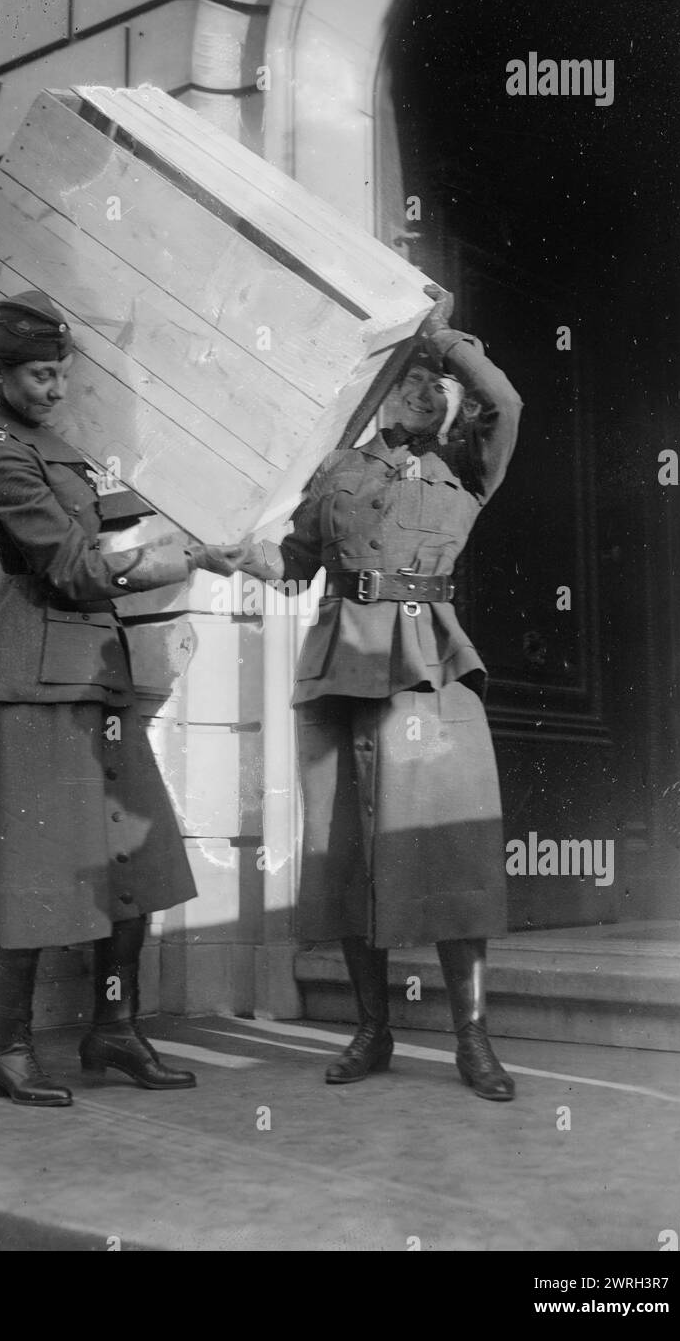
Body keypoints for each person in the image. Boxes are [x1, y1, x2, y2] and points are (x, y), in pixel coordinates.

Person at [227, 284, 523, 1101]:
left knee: (454, 842)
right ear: (387, 388)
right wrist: (243, 557)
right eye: (417, 378)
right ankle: (372, 1029)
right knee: (350, 848)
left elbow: (505, 398)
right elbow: (294, 563)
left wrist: (440, 333)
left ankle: (473, 1040)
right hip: (341, 666)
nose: (433, 393)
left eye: (443, 383)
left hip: (430, 660)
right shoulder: (337, 471)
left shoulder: (466, 467)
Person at [0, 290, 233, 1107]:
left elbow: (117, 521)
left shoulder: (54, 446)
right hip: (38, 683)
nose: (54, 389)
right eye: (40, 375)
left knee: (135, 866)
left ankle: (113, 1030)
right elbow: (76, 570)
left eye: (61, 375)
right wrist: (195, 558)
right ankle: (7, 1051)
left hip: (96, 678)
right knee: (32, 872)